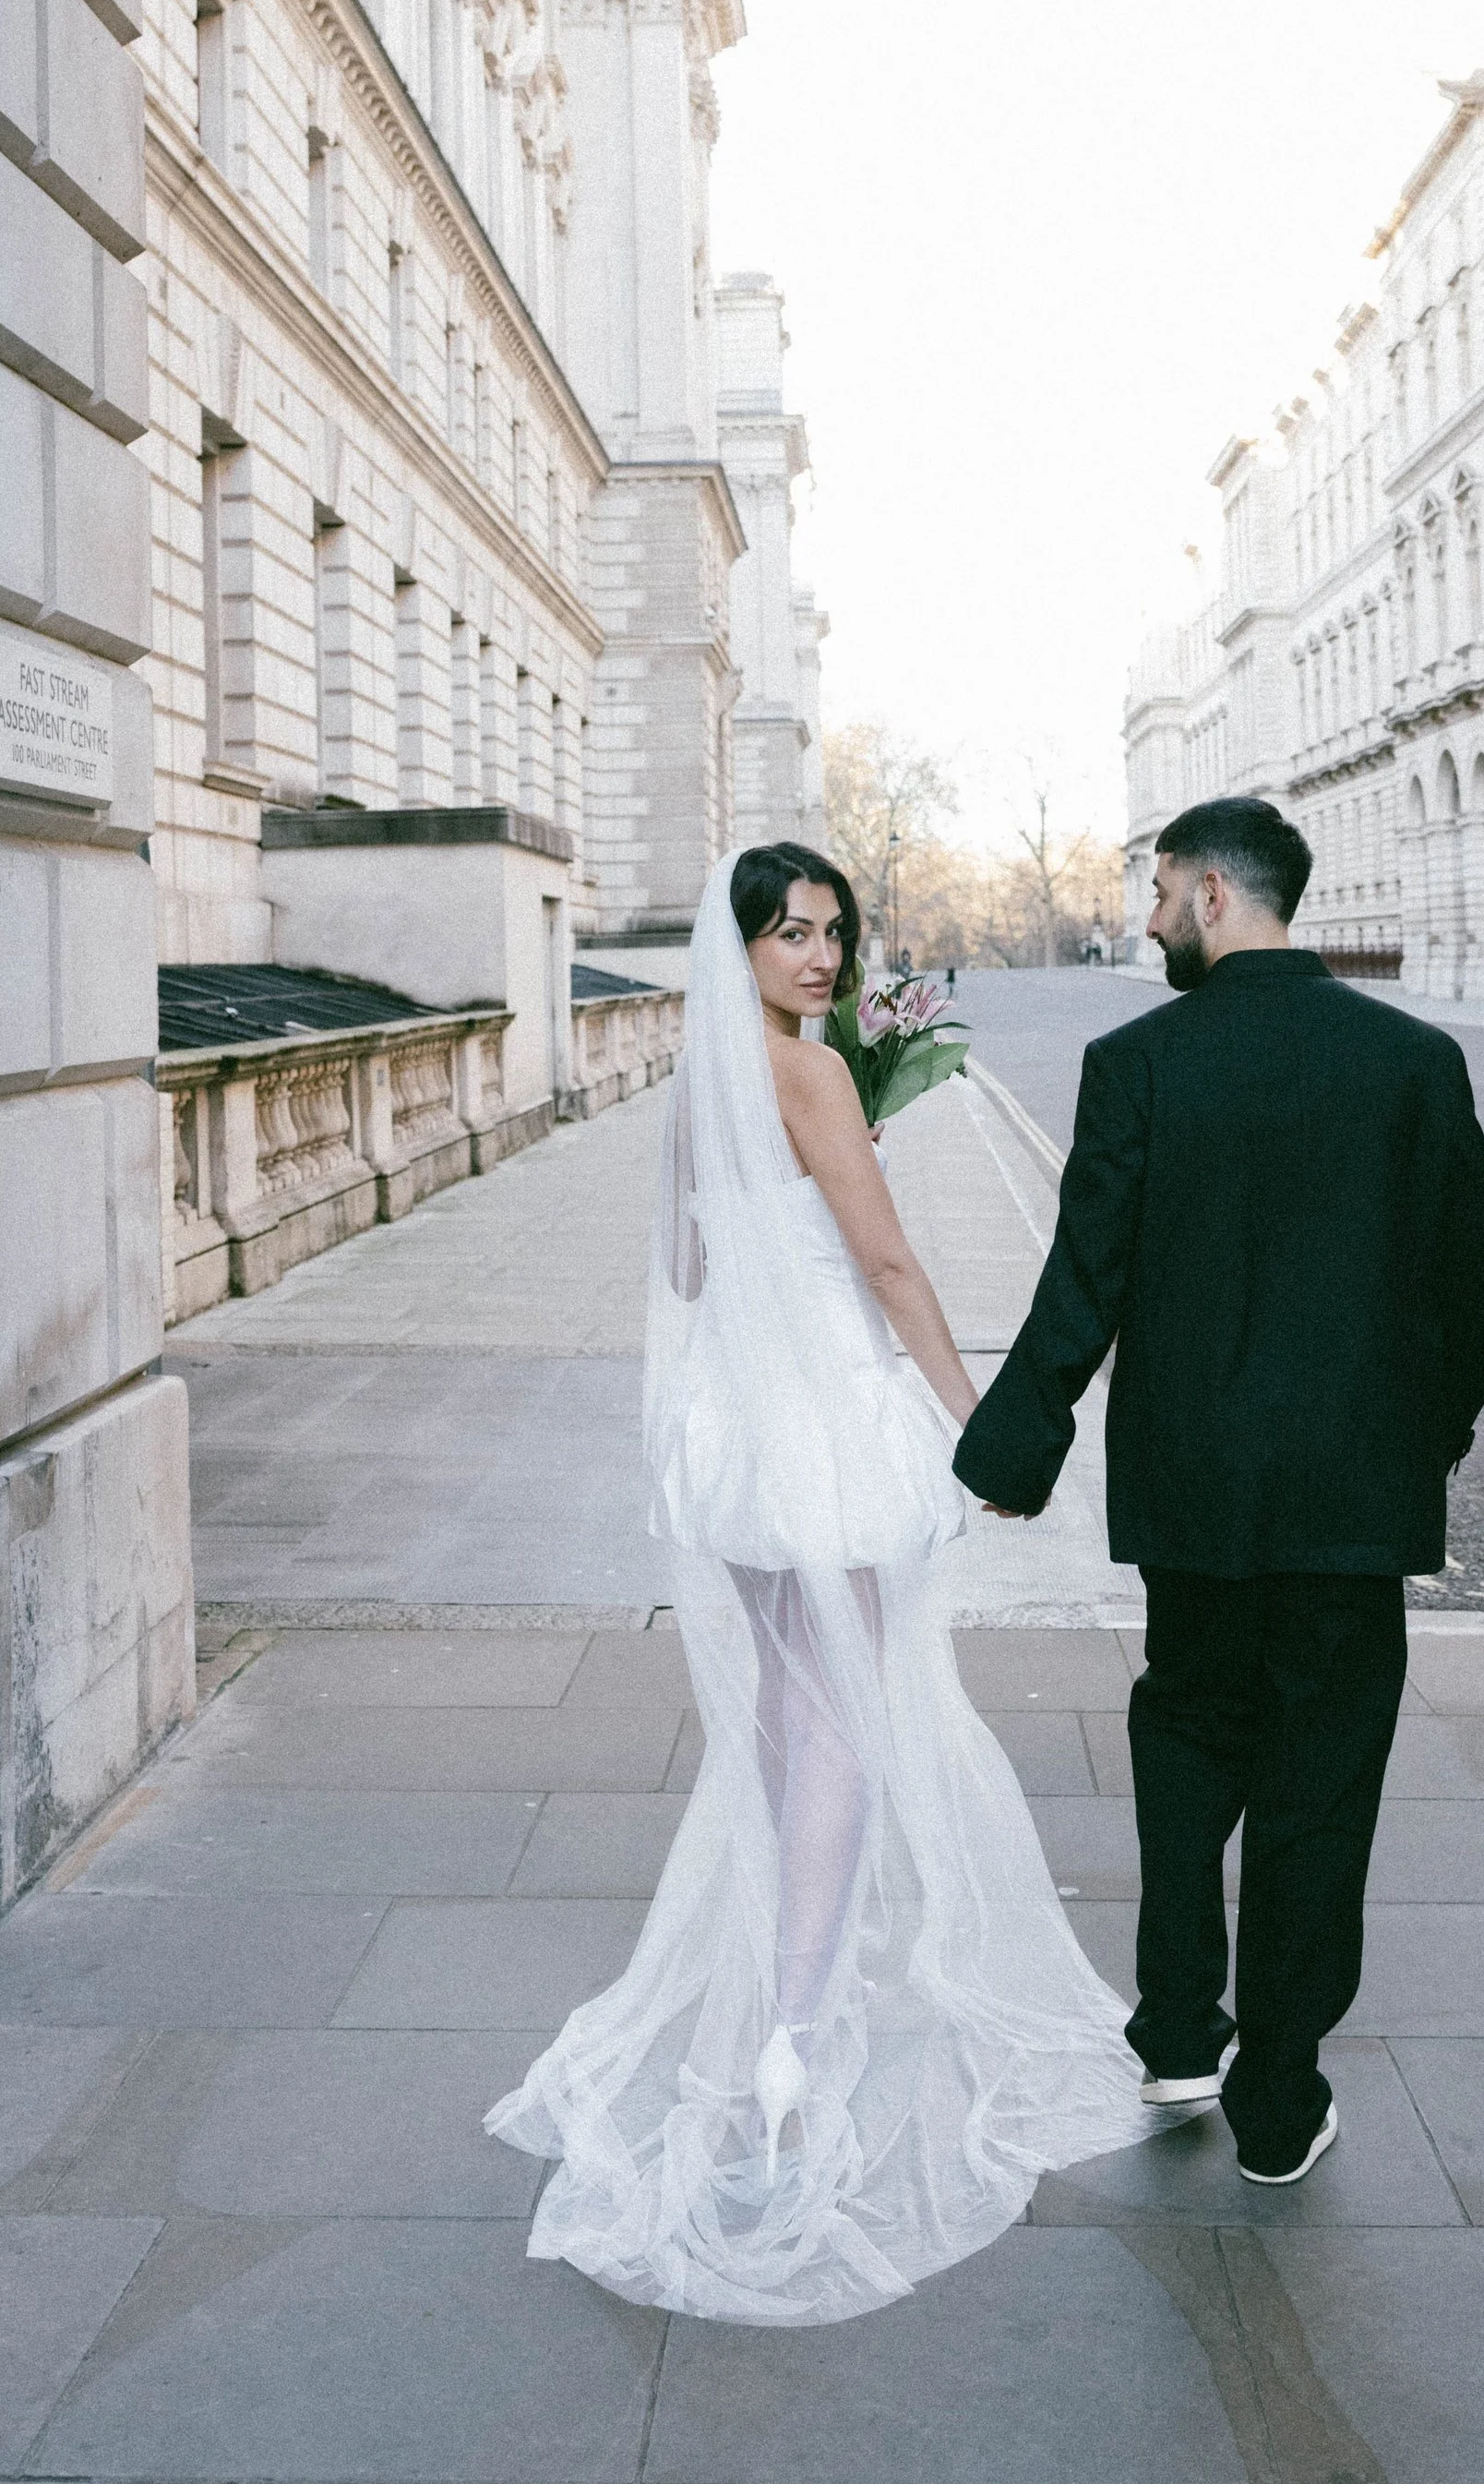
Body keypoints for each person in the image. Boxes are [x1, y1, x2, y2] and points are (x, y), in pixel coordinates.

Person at [488, 844, 1147, 2322]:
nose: (819, 959)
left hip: (741, 1432)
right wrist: (975, 1418)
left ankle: (788, 1981)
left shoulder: (699, 1085)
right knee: (847, 1710)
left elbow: (687, 1260)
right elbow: (894, 1265)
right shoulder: (817, 1079)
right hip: (832, 1426)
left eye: (832, 934)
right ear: (742, 948)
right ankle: (792, 2022)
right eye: (792, 933)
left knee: (794, 1711)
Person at [954, 793, 1484, 2188]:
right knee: (1323, 1783)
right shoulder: (1414, 1060)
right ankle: (1278, 2096)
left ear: (1211, 891)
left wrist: (1016, 1448)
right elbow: (1472, 1293)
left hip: (1194, 1497)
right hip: (1348, 1511)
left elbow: (1086, 1279)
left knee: (1190, 1747)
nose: (1143, 920)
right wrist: (1412, 1444)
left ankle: (1178, 2030)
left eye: (1154, 893)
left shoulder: (1136, 1062)